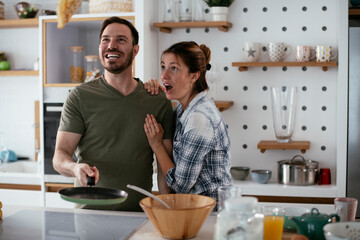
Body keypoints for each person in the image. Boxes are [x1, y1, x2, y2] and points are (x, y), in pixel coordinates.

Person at [52, 17, 174, 211]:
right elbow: (60, 156)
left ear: (135, 50)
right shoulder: (79, 97)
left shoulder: (157, 100)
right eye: (105, 40)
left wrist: (170, 212)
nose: (111, 46)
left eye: (121, 40)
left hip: (139, 214)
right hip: (89, 215)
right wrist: (75, 168)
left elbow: (164, 169)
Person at [143, 41, 232, 209]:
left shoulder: (199, 119)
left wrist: (157, 145)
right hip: (198, 210)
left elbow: (180, 185)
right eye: (163, 67)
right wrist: (151, 94)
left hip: (212, 214)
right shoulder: (183, 110)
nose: (164, 76)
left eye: (174, 68)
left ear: (194, 76)